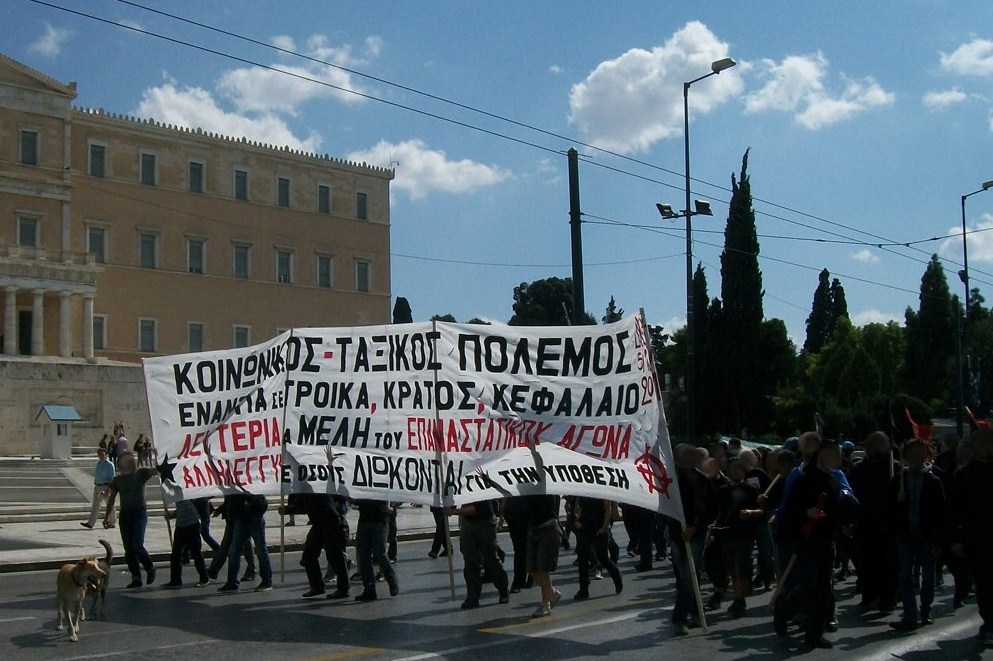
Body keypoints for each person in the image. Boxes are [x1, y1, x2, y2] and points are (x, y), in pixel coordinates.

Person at [774, 440, 846, 650]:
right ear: (823, 455)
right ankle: (784, 610)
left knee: (823, 588)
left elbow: (836, 510)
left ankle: (814, 634)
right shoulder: (803, 480)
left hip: (827, 539)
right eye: (836, 455)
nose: (840, 460)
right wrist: (806, 512)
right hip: (807, 540)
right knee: (809, 586)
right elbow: (788, 512)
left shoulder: (833, 479)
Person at [890, 439, 945, 631]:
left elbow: (940, 512)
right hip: (905, 534)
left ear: (926, 454)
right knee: (905, 574)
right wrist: (897, 501)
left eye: (919, 452)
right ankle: (910, 614)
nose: (915, 456)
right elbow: (889, 509)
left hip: (926, 534)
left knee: (928, 575)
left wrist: (939, 540)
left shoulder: (934, 480)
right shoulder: (899, 479)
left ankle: (926, 610)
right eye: (911, 452)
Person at [949, 428, 993, 647]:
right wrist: (956, 538)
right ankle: (990, 624)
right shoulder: (964, 475)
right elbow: (956, 510)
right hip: (977, 538)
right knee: (984, 584)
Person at [849, 431, 900, 614]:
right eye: (872, 444)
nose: (875, 448)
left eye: (880, 444)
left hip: (888, 524)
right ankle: (869, 596)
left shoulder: (895, 468)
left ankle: (887, 600)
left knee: (888, 564)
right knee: (866, 563)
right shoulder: (858, 470)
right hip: (865, 523)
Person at [669, 444, 716, 636]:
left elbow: (710, 508)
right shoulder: (670, 479)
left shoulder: (700, 479)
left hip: (694, 534)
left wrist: (695, 526)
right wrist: (667, 525)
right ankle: (697, 611)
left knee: (689, 576)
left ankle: (679, 618)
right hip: (675, 534)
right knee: (684, 577)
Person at [279, 493, 350, 599]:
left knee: (335, 557)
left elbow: (341, 497)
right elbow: (305, 506)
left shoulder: (321, 487)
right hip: (319, 524)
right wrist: (288, 510)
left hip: (334, 524)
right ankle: (317, 586)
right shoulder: (308, 491)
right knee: (308, 557)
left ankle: (343, 589)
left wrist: (288, 510)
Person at [715, 459, 762, 617]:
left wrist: (750, 513)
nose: (736, 472)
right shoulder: (722, 491)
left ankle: (739, 599)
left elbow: (761, 511)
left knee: (741, 564)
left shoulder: (750, 490)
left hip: (745, 533)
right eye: (733, 469)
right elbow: (719, 511)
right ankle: (738, 592)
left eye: (739, 469)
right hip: (727, 533)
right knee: (730, 567)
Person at [102, 452, 156, 589]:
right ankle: (136, 577)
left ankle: (150, 568)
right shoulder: (117, 480)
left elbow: (157, 470)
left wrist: (159, 457)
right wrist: (107, 516)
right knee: (129, 550)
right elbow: (112, 499)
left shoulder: (141, 474)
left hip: (139, 514)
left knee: (137, 545)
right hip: (125, 516)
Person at [447, 498, 509, 609]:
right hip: (468, 523)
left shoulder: (482, 484)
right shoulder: (461, 481)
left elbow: (478, 508)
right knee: (470, 561)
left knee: (491, 559)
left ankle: (503, 590)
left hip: (485, 521)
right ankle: (472, 598)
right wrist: (448, 507)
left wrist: (454, 512)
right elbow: (455, 496)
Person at [217, 494, 272, 593]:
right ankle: (232, 582)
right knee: (234, 552)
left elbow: (263, 502)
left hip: (254, 519)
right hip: (240, 519)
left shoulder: (254, 486)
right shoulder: (235, 489)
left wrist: (251, 509)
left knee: (261, 551)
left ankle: (267, 581)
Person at [572, 496, 623, 601]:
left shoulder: (600, 492)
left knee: (603, 557)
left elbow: (607, 510)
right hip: (584, 527)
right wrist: (577, 519)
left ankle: (616, 575)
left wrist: (604, 528)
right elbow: (579, 506)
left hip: (599, 528)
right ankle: (584, 589)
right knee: (583, 559)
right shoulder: (584, 490)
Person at [353, 499, 399, 601]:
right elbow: (355, 500)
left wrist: (389, 506)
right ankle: (369, 590)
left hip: (379, 521)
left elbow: (390, 503)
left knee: (379, 554)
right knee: (365, 556)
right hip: (365, 520)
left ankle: (392, 579)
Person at [525, 493, 562, 618]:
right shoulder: (528, 488)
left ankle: (546, 604)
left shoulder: (549, 489)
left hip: (548, 529)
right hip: (533, 529)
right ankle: (552, 592)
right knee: (531, 569)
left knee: (542, 568)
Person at [206, 495, 256, 582]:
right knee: (226, 544)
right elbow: (229, 501)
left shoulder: (238, 486)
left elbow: (238, 500)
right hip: (231, 517)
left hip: (241, 516)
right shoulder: (230, 485)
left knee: (245, 544)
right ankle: (213, 570)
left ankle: (251, 570)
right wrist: (220, 510)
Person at [162, 498, 210, 588]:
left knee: (196, 553)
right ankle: (175, 581)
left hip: (193, 524)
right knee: (176, 554)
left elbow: (191, 507)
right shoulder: (178, 494)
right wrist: (171, 515)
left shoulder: (189, 494)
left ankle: (204, 578)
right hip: (181, 525)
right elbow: (181, 508)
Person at [501, 495, 533, 593]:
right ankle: (524, 578)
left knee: (523, 549)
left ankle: (521, 580)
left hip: (525, 511)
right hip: (514, 513)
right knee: (521, 549)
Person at [82, 447, 116, 529]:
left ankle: (112, 522)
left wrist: (109, 489)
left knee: (109, 504)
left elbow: (112, 478)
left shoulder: (109, 465)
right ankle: (91, 523)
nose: (101, 456)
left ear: (106, 455)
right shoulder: (99, 463)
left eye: (102, 454)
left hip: (105, 486)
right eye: (99, 454)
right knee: (96, 505)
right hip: (98, 486)